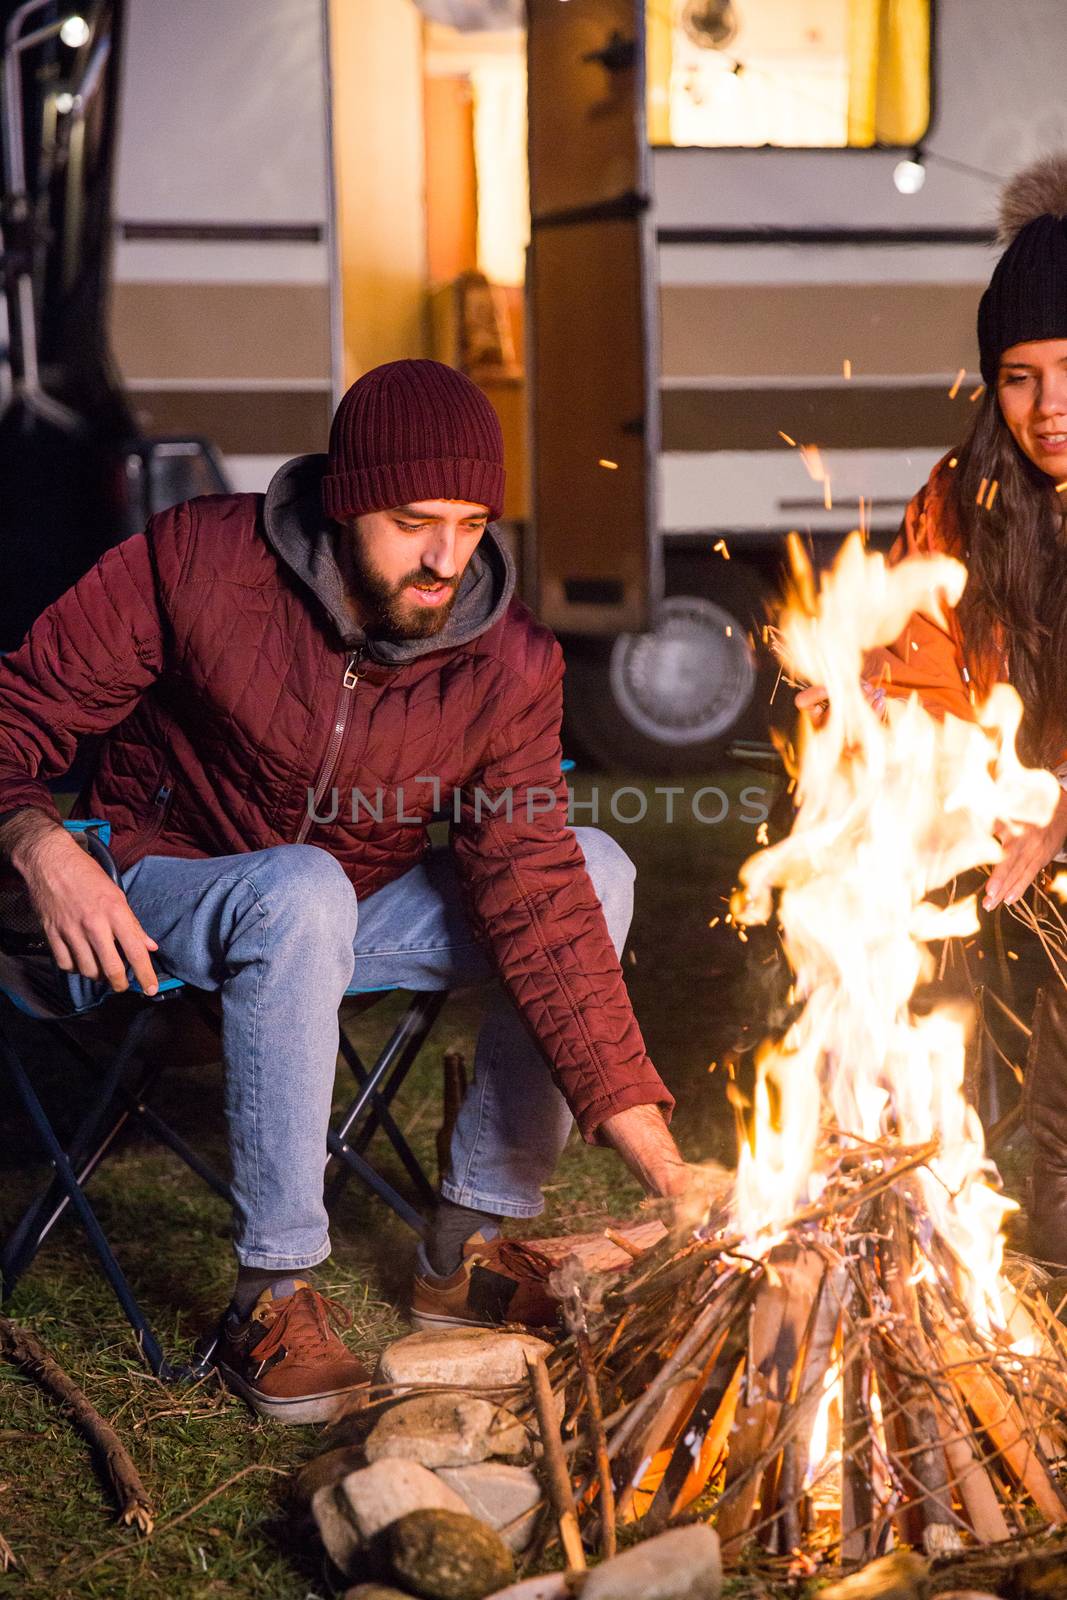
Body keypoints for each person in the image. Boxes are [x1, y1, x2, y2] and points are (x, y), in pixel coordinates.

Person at [0, 358, 697, 1423]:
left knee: (593, 863)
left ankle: (464, 1247)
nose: (445, 559)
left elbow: (535, 887)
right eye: (414, 520)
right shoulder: (197, 559)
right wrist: (40, 841)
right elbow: (18, 712)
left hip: (334, 905)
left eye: (470, 523)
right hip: (158, 883)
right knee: (300, 887)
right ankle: (268, 1293)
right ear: (343, 500)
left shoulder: (503, 657)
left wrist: (646, 1137)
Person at [796, 153, 1067, 1267]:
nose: (1047, 409)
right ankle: (892, 1168)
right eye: (1017, 377)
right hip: (1016, 805)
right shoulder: (967, 496)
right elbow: (921, 658)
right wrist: (869, 711)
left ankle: (1047, 1188)